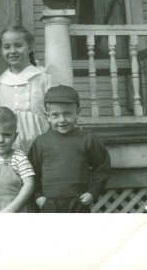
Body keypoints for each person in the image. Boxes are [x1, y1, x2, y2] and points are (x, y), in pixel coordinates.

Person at [28, 85, 111, 213]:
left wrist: (92, 193)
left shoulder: (87, 139)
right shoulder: (41, 141)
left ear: (77, 113)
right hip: (49, 202)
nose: (62, 120)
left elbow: (102, 167)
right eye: (55, 115)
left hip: (79, 201)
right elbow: (31, 172)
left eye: (67, 114)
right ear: (47, 116)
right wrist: (38, 197)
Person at [0, 26, 60, 154]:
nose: (12, 51)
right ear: (1, 50)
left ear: (30, 47)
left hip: (42, 144)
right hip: (11, 147)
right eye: (7, 47)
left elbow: (55, 113)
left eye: (18, 45)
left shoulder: (43, 79)